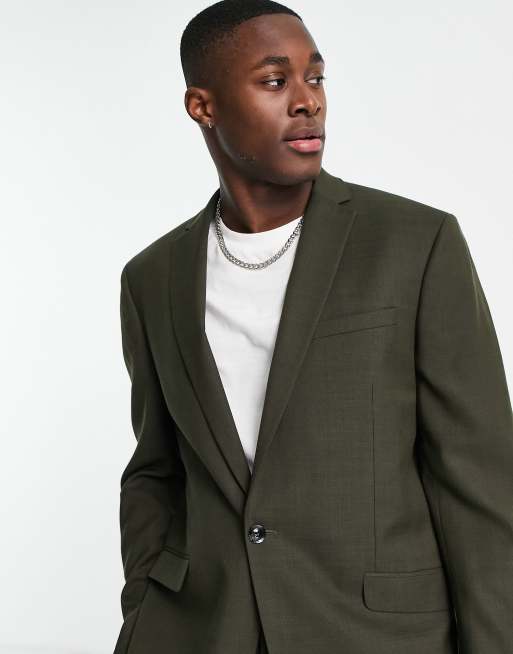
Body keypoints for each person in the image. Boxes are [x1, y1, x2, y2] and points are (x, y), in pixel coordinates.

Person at [114, 1, 513, 653]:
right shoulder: (153, 278)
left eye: (315, 77)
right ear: (202, 106)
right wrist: (144, 602)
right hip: (201, 631)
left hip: (374, 634)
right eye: (275, 81)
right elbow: (154, 469)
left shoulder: (414, 244)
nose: (307, 101)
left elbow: (479, 482)